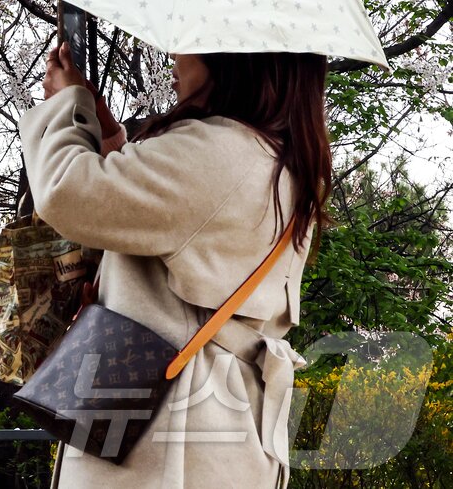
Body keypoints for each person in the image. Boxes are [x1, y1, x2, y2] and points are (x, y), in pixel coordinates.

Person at [20, 43, 326, 488]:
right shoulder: (279, 160)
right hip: (224, 426)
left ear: (232, 56)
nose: (176, 60)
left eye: (192, 47)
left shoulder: (216, 152)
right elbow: (181, 229)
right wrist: (111, 146)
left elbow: (67, 191)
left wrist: (68, 106)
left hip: (167, 432)